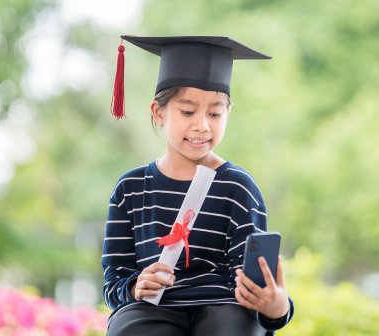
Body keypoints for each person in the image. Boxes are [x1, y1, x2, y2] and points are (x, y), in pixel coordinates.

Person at [101, 36, 294, 336]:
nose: (202, 125)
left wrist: (276, 307)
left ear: (228, 114)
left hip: (224, 309)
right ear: (158, 112)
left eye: (215, 113)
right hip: (153, 309)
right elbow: (115, 282)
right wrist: (136, 286)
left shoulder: (238, 189)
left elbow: (252, 289)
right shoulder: (131, 190)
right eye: (188, 112)